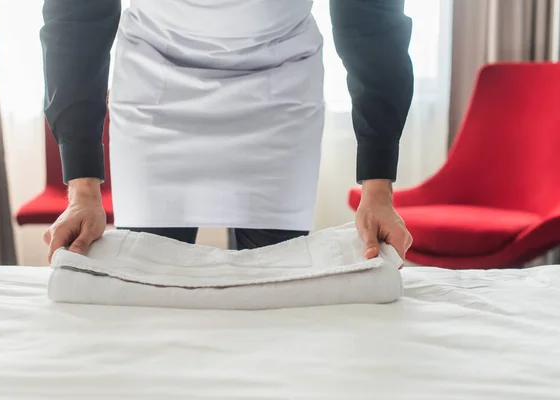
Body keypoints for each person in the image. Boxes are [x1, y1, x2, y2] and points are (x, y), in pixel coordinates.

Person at [40, 0, 414, 262]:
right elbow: (76, 15)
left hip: (279, 82)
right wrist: (82, 190)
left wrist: (378, 189)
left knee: (271, 294)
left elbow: (371, 17)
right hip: (157, 81)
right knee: (152, 291)